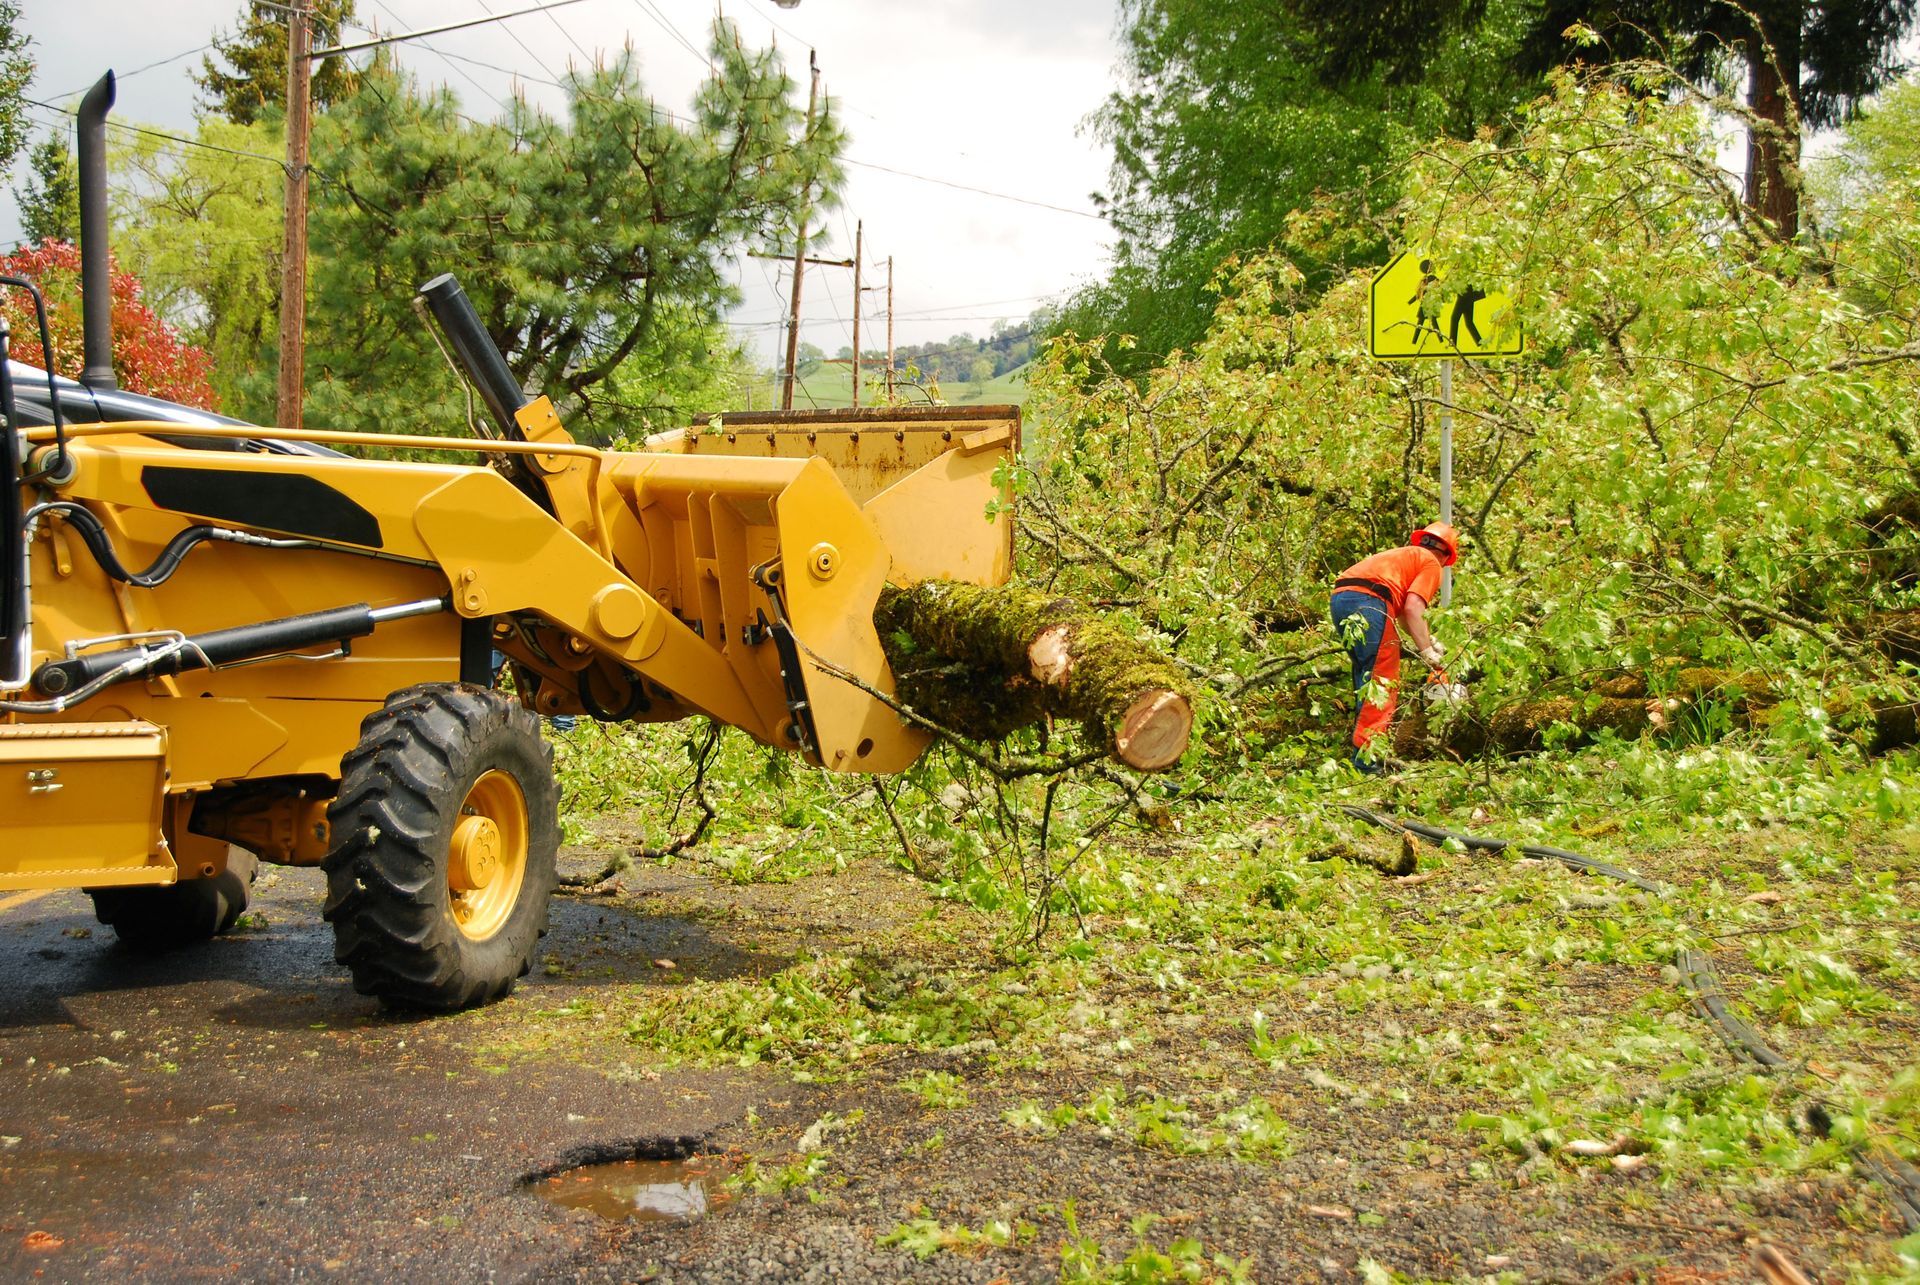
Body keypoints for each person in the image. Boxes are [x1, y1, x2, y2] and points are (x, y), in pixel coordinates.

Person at [1329, 522, 1458, 771]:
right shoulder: (1431, 563)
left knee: (1367, 673)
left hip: (1343, 599)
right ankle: (1367, 760)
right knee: (1382, 679)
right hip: (1370, 602)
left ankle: (1361, 750)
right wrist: (1428, 653)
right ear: (1446, 555)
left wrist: (1428, 640)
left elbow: (1403, 614)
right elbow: (1412, 609)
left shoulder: (1406, 555)